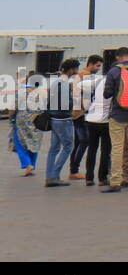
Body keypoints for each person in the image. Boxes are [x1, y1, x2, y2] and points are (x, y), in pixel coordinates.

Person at [101, 47, 128, 191]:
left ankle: (115, 182)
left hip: (118, 115)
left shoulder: (114, 71)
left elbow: (107, 94)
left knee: (117, 149)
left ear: (118, 57)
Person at [42, 59, 79, 187]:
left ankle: (49, 176)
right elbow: (65, 103)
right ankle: (55, 175)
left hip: (53, 118)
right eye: (76, 68)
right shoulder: (65, 83)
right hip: (63, 120)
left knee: (54, 149)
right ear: (71, 69)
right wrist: (73, 104)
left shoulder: (56, 81)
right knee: (68, 146)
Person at [68, 55, 102, 180]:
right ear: (91, 64)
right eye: (97, 65)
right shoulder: (85, 76)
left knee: (78, 142)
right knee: (84, 140)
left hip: (76, 112)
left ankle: (73, 170)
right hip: (81, 113)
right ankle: (74, 169)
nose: (99, 69)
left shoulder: (81, 75)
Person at [81, 67, 111, 186]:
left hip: (91, 120)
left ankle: (89, 178)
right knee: (105, 151)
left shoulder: (98, 81)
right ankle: (102, 178)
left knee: (92, 149)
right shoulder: (115, 83)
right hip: (105, 121)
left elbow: (81, 85)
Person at [11, 74, 43, 177]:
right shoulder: (42, 93)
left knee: (20, 142)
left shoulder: (20, 92)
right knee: (34, 143)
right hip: (37, 120)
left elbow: (13, 108)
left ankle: (27, 164)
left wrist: (11, 119)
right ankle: (32, 164)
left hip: (22, 120)